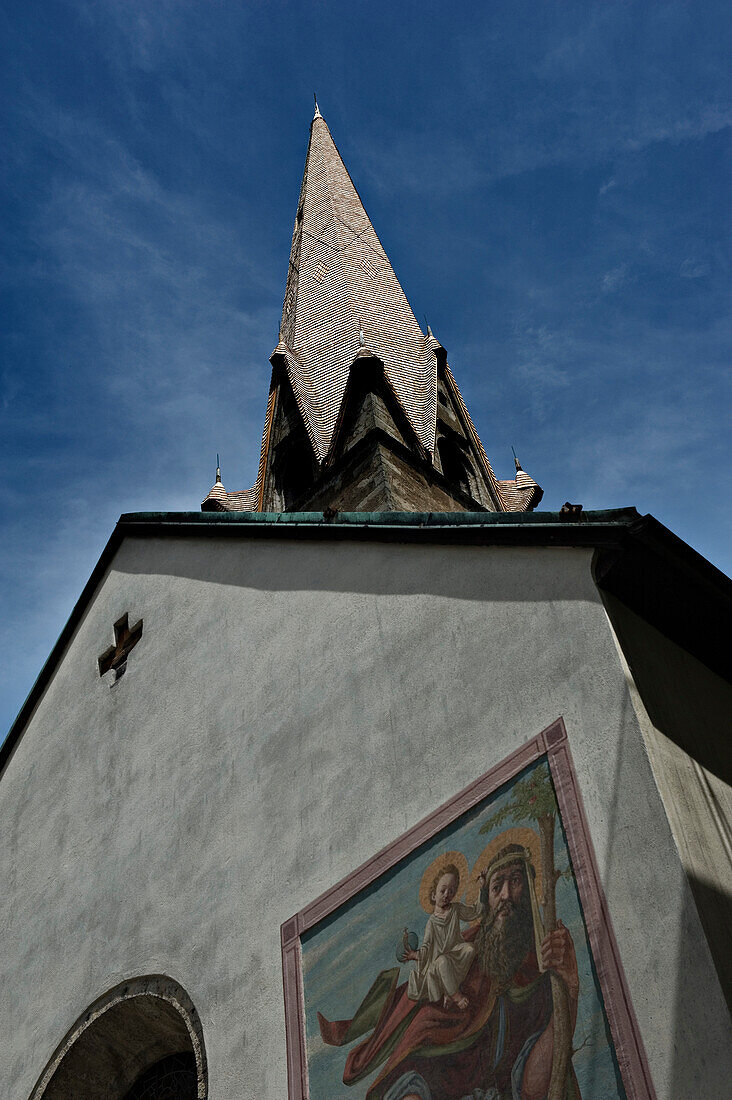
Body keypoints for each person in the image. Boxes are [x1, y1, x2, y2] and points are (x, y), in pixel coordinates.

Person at [318, 844, 580, 1100]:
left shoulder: (545, 963)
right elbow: (421, 1040)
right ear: (488, 898)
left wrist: (570, 987)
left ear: (530, 892)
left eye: (516, 881)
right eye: (497, 886)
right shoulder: (472, 956)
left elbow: (537, 1088)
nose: (506, 895)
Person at [402, 862, 485, 1011]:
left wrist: (482, 889)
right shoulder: (432, 923)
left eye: (452, 891)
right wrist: (415, 955)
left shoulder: (455, 909)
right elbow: (427, 947)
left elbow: (474, 912)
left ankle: (449, 990)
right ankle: (456, 996)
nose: (447, 894)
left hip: (455, 955)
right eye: (443, 890)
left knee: (470, 949)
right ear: (434, 895)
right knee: (442, 961)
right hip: (438, 965)